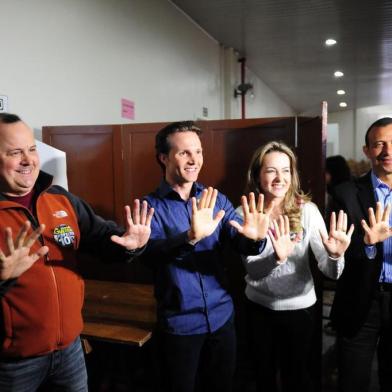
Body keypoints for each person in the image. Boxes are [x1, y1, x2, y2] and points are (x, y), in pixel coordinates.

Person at [0, 113, 154, 391]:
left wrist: (130, 243)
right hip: (12, 365)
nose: (28, 160)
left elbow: (102, 238)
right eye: (15, 152)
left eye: (32, 149)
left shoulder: (60, 198)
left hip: (69, 351)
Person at [143, 121, 271, 392]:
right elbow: (150, 255)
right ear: (163, 158)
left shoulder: (216, 200)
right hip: (180, 325)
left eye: (198, 152)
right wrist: (190, 237)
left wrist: (254, 239)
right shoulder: (149, 208)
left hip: (222, 317)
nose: (194, 160)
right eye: (184, 153)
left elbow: (239, 242)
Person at [238, 141, 353, 392]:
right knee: (262, 376)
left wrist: (335, 256)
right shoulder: (244, 213)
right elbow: (252, 271)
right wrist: (275, 259)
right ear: (257, 175)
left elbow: (329, 269)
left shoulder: (308, 211)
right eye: (271, 171)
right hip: (258, 309)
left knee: (297, 377)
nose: (280, 178)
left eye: (286, 170)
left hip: (300, 310)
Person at [330, 117, 392, 392]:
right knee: (352, 381)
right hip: (359, 300)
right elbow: (337, 250)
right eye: (379, 144)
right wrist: (367, 244)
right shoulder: (346, 193)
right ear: (367, 150)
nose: (388, 151)